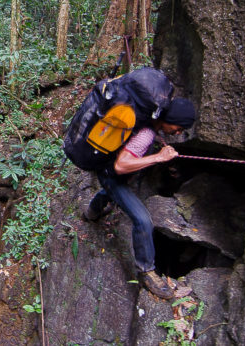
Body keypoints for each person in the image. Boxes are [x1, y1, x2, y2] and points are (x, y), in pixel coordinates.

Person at [82, 97, 196, 300]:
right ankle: (147, 271)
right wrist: (158, 158)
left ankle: (91, 212)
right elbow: (121, 166)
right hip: (112, 174)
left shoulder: (147, 120)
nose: (179, 132)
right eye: (179, 127)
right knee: (143, 220)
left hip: (107, 171)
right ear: (170, 119)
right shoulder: (145, 133)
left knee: (111, 192)